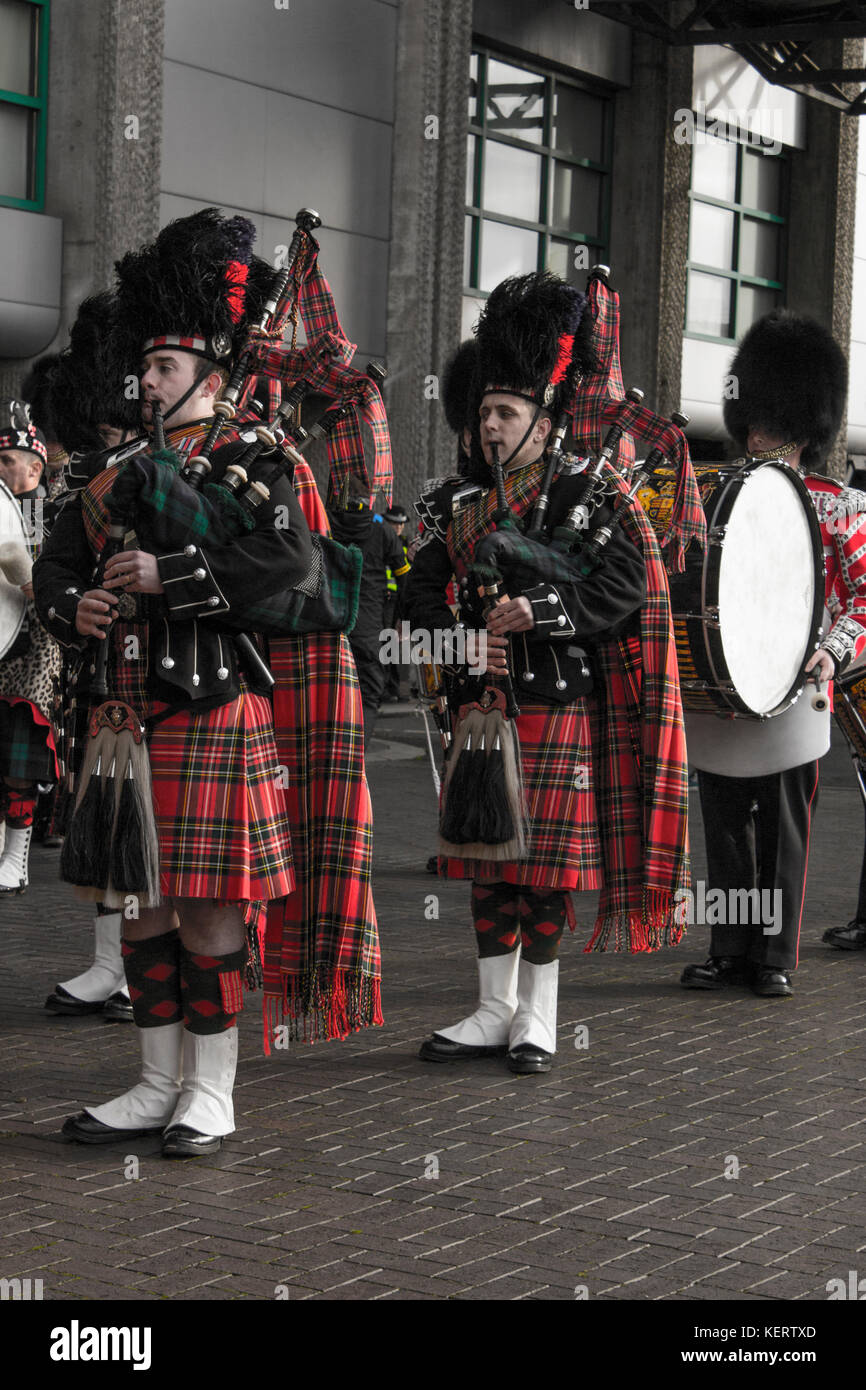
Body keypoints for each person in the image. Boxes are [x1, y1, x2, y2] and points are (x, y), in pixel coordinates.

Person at [34, 209, 312, 1157]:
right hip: (121, 714)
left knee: (205, 907)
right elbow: (54, 564)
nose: (143, 380)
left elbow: (288, 573)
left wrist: (170, 579)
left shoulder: (256, 460)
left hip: (207, 706)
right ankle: (154, 1082)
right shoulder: (112, 470)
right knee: (141, 902)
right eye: (144, 366)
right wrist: (77, 606)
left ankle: (213, 1091)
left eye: (162, 367)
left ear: (212, 374)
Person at [405, 271, 694, 1074]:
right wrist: (464, 643)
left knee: (544, 872)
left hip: (557, 703)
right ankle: (492, 1007)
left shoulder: (589, 491)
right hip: (480, 708)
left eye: (506, 412)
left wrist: (542, 615)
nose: (490, 426)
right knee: (488, 861)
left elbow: (624, 586)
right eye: (484, 413)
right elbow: (418, 596)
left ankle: (539, 1014)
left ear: (544, 418)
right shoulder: (452, 503)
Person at [679, 310, 864, 996]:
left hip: (796, 682)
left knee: (784, 830)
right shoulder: (710, 496)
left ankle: (776, 957)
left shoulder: (841, 508)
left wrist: (834, 653)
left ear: (805, 429)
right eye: (754, 420)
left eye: (775, 423)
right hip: (723, 687)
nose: (760, 435)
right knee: (725, 828)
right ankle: (729, 950)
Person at [32, 292, 142, 1021]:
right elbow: (52, 571)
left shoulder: (178, 462)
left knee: (149, 829)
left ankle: (142, 969)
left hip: (170, 676)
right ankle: (109, 964)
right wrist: (72, 605)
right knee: (103, 821)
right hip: (99, 675)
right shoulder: (88, 480)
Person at [0, 402, 61, 893]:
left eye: (6, 461)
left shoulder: (51, 511)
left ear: (35, 467)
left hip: (35, 651)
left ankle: (15, 861)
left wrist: (35, 580)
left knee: (20, 764)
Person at [381, 504, 411, 701]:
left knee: (392, 643)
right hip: (382, 597)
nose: (398, 528)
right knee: (384, 642)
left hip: (399, 598)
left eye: (401, 524)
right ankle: (387, 687)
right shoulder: (380, 540)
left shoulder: (406, 543)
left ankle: (394, 687)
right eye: (394, 523)